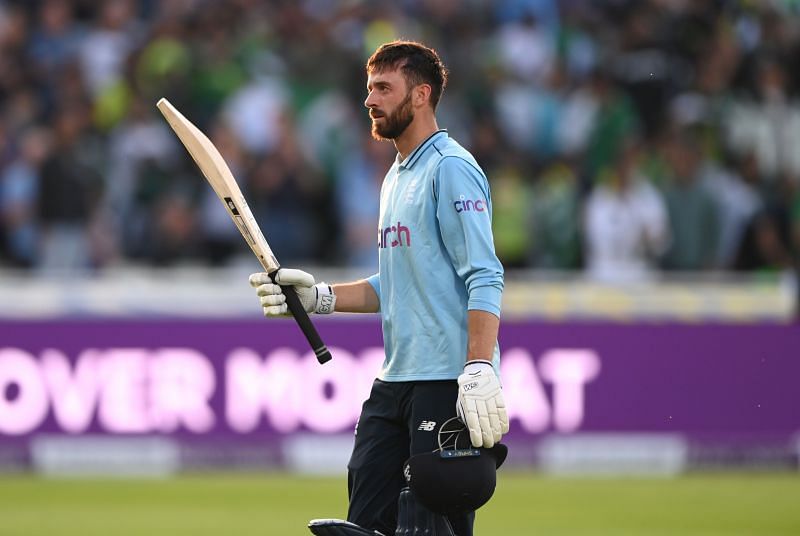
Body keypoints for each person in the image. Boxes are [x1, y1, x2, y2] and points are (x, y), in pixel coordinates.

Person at [249, 40, 508, 536]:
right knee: (366, 519)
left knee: (431, 525)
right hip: (395, 381)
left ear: (420, 95)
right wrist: (319, 298)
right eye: (369, 89)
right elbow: (395, 284)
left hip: (446, 382)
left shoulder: (450, 168)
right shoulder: (394, 176)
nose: (370, 100)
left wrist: (477, 366)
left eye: (384, 89)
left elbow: (485, 274)